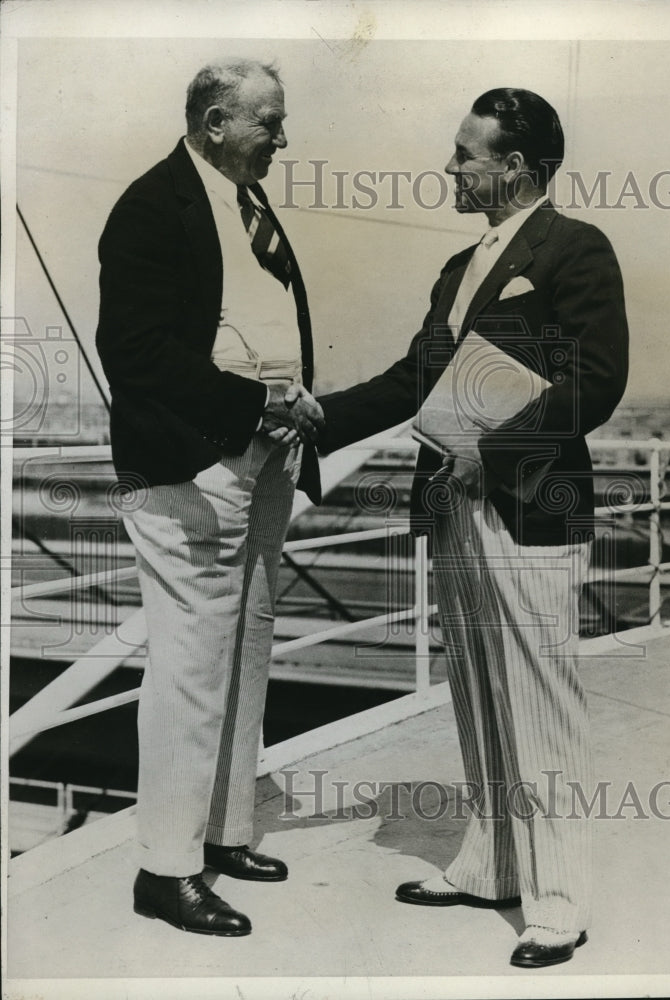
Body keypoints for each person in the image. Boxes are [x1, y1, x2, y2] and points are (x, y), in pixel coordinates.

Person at [317, 87, 628, 968]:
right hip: (453, 501)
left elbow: (595, 383)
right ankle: (490, 864)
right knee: (482, 693)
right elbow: (414, 377)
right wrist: (319, 417)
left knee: (539, 698)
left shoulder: (574, 250)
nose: (449, 169)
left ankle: (557, 901)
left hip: (529, 504)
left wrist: (488, 455)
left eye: (464, 154)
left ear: (515, 169)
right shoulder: (458, 270)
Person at [96, 58, 324, 936]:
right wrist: (253, 403)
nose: (281, 138)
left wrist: (286, 411)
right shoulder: (153, 206)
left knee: (248, 645)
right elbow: (137, 352)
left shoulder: (247, 203)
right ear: (218, 119)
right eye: (269, 123)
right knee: (191, 666)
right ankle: (166, 869)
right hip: (190, 470)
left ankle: (224, 833)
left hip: (261, 460)